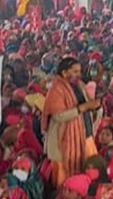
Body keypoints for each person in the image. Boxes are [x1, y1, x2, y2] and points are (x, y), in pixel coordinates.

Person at [42, 57, 100, 186]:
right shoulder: (56, 89)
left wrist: (94, 106)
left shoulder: (79, 85)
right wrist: (82, 108)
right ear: (64, 72)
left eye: (79, 71)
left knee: (86, 172)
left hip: (84, 136)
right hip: (63, 142)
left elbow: (87, 103)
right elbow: (58, 116)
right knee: (64, 182)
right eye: (75, 71)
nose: (79, 75)